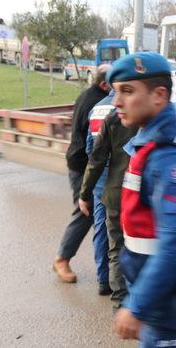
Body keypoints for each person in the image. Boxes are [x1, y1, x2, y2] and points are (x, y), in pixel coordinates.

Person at [109, 52, 176, 348]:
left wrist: (137, 306)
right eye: (116, 92)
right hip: (166, 302)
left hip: (172, 308)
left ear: (159, 96)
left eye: (127, 91)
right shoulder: (158, 139)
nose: (116, 102)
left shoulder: (170, 159)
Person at [78, 90, 138, 307]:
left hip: (111, 189)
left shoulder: (106, 115)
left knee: (113, 244)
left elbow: (93, 155)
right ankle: (138, 299)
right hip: (139, 194)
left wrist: (85, 193)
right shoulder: (149, 116)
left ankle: (116, 296)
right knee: (139, 246)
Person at [52, 64, 111, 284]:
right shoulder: (97, 102)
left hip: (81, 160)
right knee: (85, 212)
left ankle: (108, 267)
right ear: (105, 84)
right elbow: (95, 144)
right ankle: (62, 259)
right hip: (82, 164)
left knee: (100, 217)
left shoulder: (89, 95)